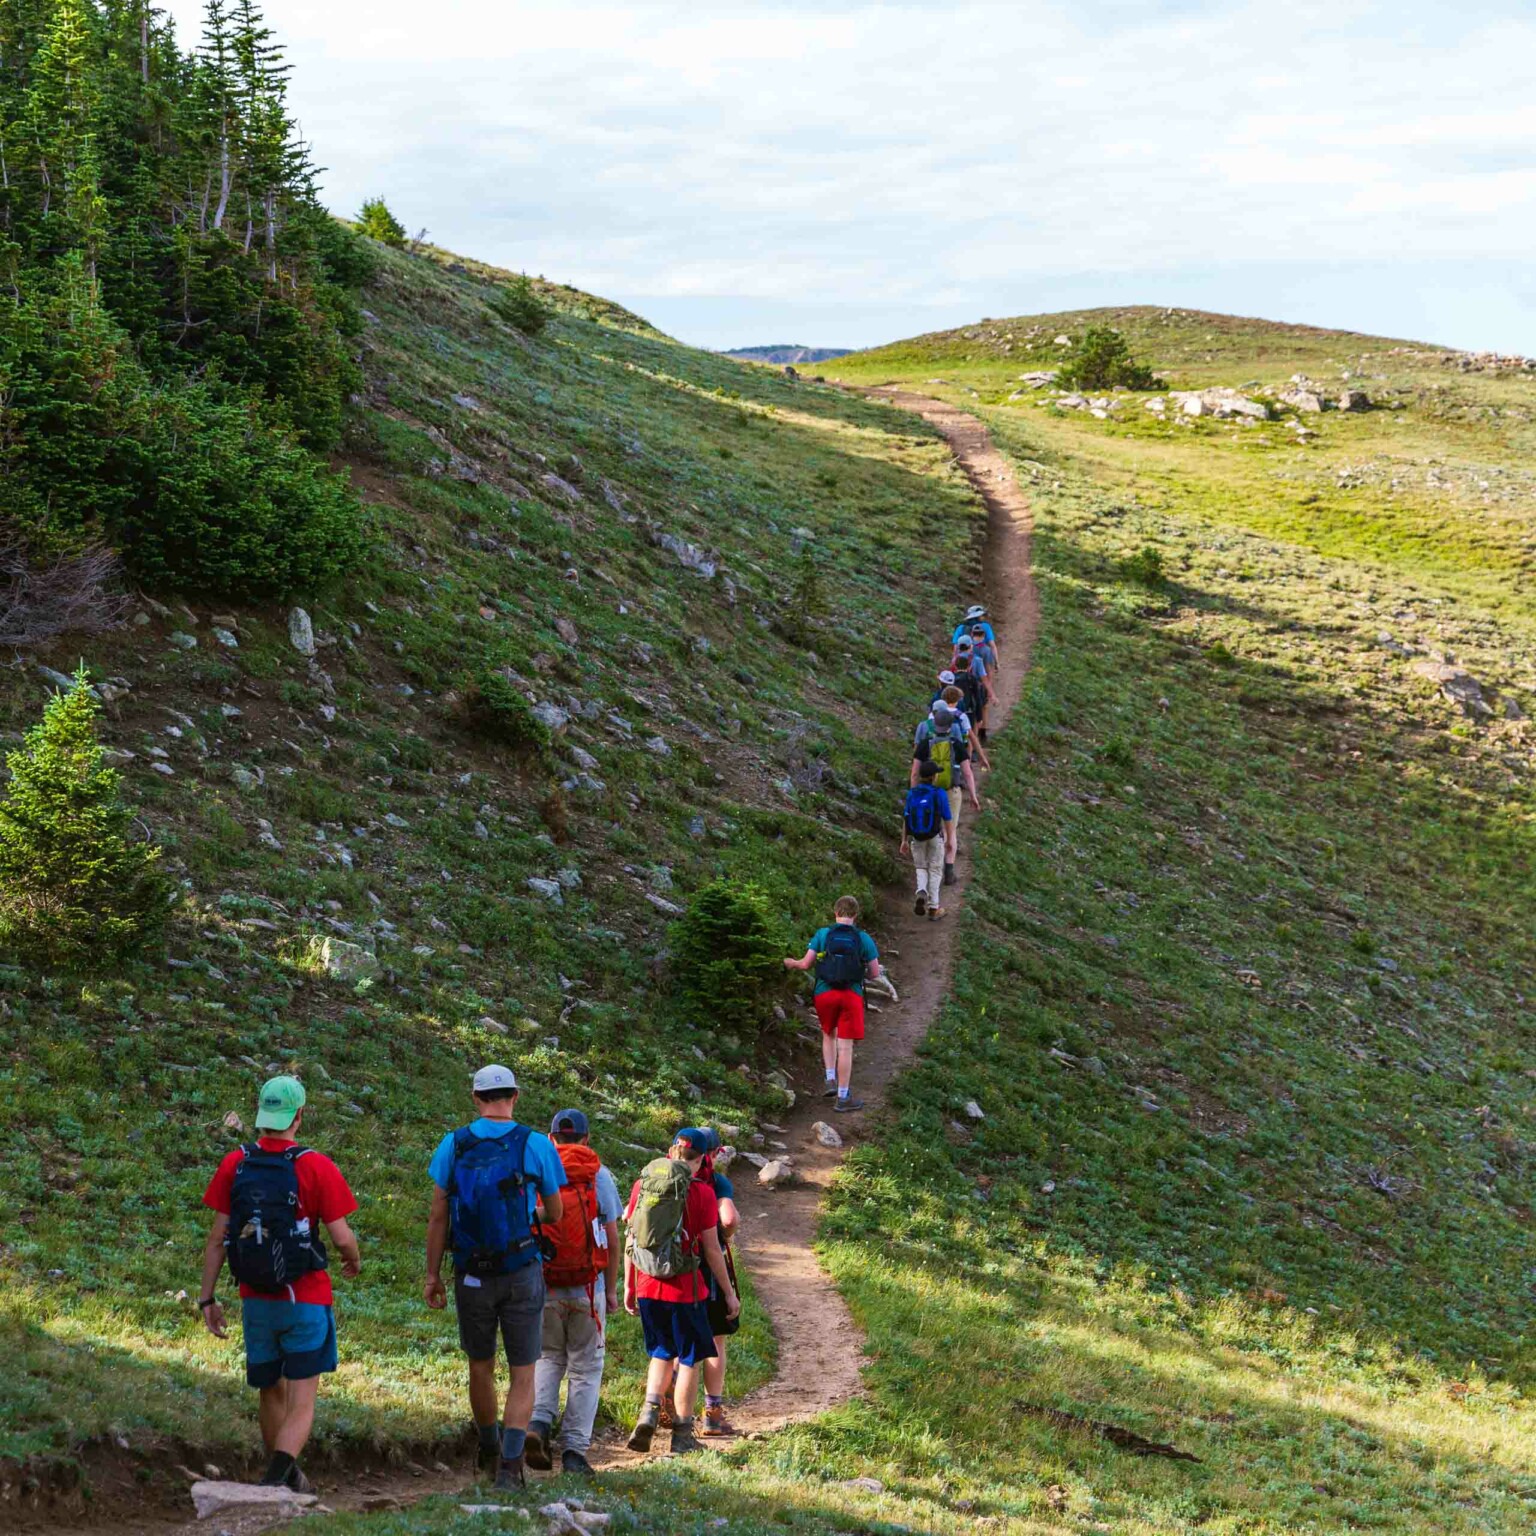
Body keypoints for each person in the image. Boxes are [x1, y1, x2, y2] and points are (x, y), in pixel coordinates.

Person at [198, 1076, 361, 1494]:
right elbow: (342, 1237)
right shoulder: (315, 1165)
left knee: (270, 1390)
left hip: (255, 1298)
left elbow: (218, 1238)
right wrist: (352, 1259)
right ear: (299, 1116)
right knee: (302, 1398)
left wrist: (207, 1298)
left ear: (262, 1114)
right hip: (305, 1296)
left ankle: (285, 1478)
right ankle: (275, 1483)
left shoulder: (235, 1163)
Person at [424, 1065, 568, 1489]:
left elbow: (437, 1215)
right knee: (524, 1370)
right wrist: (529, 1215)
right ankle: (509, 1466)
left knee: (480, 1365)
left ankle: (487, 1448)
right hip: (521, 1270)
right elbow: (556, 1213)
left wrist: (432, 1275)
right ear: (515, 1096)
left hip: (471, 1273)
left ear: (476, 1098)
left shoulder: (454, 1144)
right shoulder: (537, 1144)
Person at [623, 1130, 740, 1456]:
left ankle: (648, 1414)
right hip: (685, 1289)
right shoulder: (701, 1192)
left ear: (671, 1151)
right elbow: (712, 1250)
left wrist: (629, 1285)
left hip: (648, 1284)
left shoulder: (642, 1184)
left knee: (661, 1352)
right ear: (703, 1158)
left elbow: (632, 1240)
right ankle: (683, 1433)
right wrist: (729, 1293)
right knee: (689, 1359)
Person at [526, 1108, 622, 1478]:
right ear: (585, 1139)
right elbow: (612, 1239)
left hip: (544, 1284)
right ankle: (574, 1454)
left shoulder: (537, 1170)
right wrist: (610, 1290)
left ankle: (537, 1424)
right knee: (585, 1368)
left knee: (548, 1357)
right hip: (587, 1287)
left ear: (551, 1138)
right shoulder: (598, 1175)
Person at [783, 895, 882, 1112]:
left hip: (824, 994)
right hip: (851, 995)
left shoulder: (823, 934)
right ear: (855, 915)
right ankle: (843, 1097)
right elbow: (874, 974)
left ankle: (829, 1078)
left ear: (835, 912)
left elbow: (806, 963)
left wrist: (790, 963)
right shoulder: (863, 939)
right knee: (845, 1047)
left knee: (828, 1033)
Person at [911, 702, 980, 887]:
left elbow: (915, 772)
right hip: (951, 791)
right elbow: (967, 772)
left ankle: (932, 869)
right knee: (952, 831)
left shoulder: (925, 744)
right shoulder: (956, 744)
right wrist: (973, 795)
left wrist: (914, 792)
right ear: (950, 726)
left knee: (934, 829)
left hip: (929, 791)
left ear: (934, 723)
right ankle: (949, 870)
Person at [899, 757, 955, 919]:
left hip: (917, 838)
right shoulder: (939, 793)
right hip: (934, 836)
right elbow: (947, 818)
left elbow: (906, 818)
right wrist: (950, 839)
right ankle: (933, 908)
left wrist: (903, 840)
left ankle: (921, 890)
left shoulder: (912, 793)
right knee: (935, 869)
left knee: (921, 867)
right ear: (933, 777)